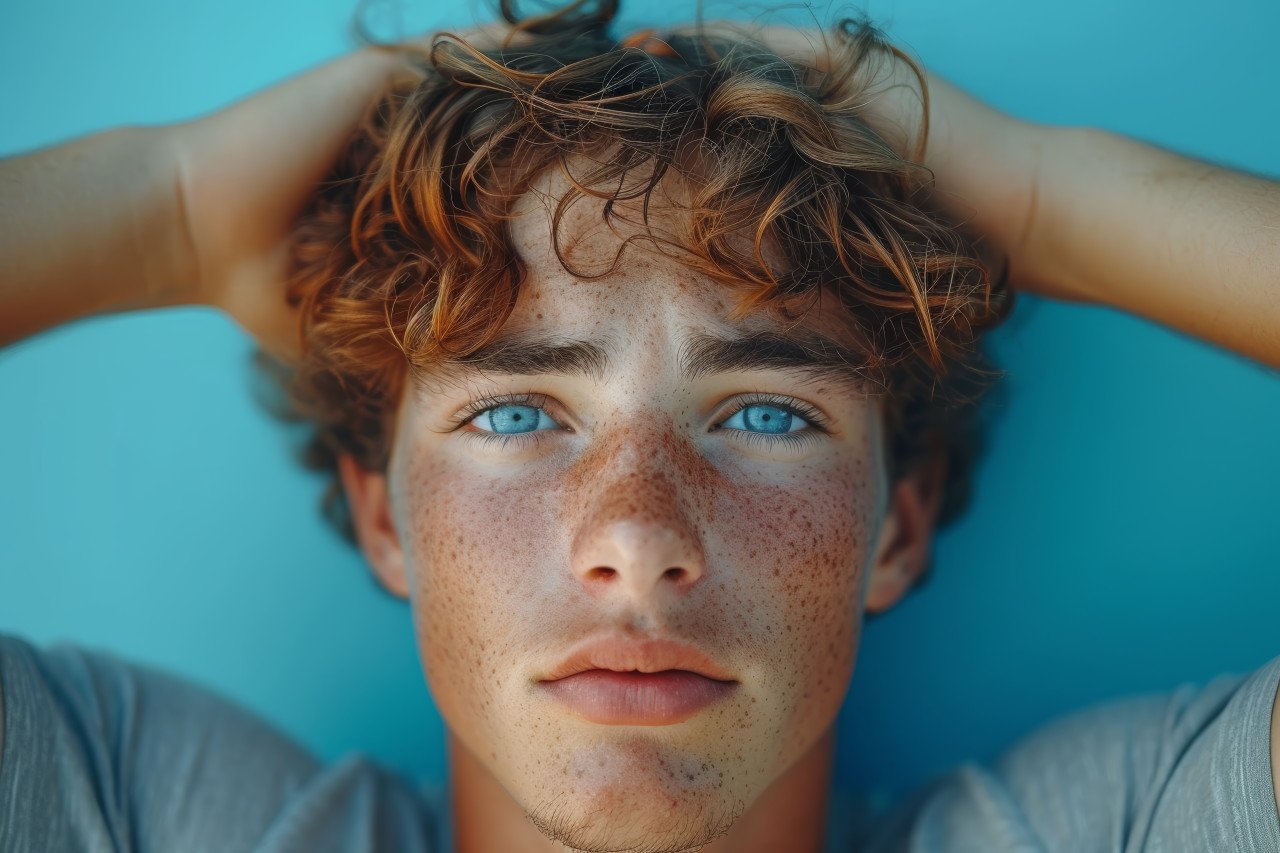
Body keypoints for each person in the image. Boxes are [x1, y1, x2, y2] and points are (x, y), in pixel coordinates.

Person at [2, 1, 1278, 851]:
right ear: (384, 513)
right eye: (514, 410)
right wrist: (157, 202)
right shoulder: (129, 809)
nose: (635, 536)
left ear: (897, 521)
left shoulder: (1128, 826)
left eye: (767, 412)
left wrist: (1046, 198)